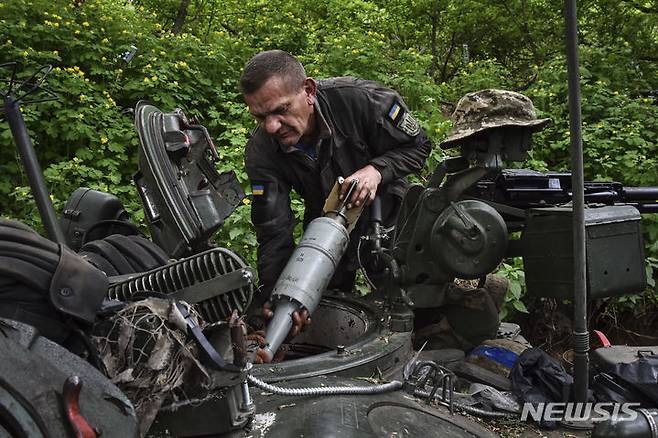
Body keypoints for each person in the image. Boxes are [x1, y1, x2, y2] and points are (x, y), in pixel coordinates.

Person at [239, 50, 432, 327]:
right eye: (260, 117)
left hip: (389, 213)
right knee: (321, 307)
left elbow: (418, 146)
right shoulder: (262, 151)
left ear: (308, 90)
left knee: (414, 304)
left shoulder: (360, 100)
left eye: (280, 110)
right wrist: (278, 297)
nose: (271, 127)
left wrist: (376, 170)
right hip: (325, 224)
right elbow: (273, 231)